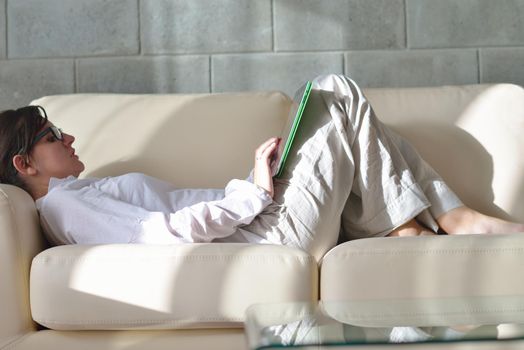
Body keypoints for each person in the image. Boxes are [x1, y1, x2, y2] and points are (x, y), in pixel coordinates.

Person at [1, 74, 523, 260]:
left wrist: (253, 186)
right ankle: (447, 221)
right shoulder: (66, 205)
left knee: (345, 112)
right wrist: (253, 190)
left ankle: (414, 227)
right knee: (330, 90)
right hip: (264, 237)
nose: (67, 137)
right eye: (52, 136)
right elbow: (161, 235)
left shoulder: (78, 196)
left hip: (259, 225)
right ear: (24, 163)